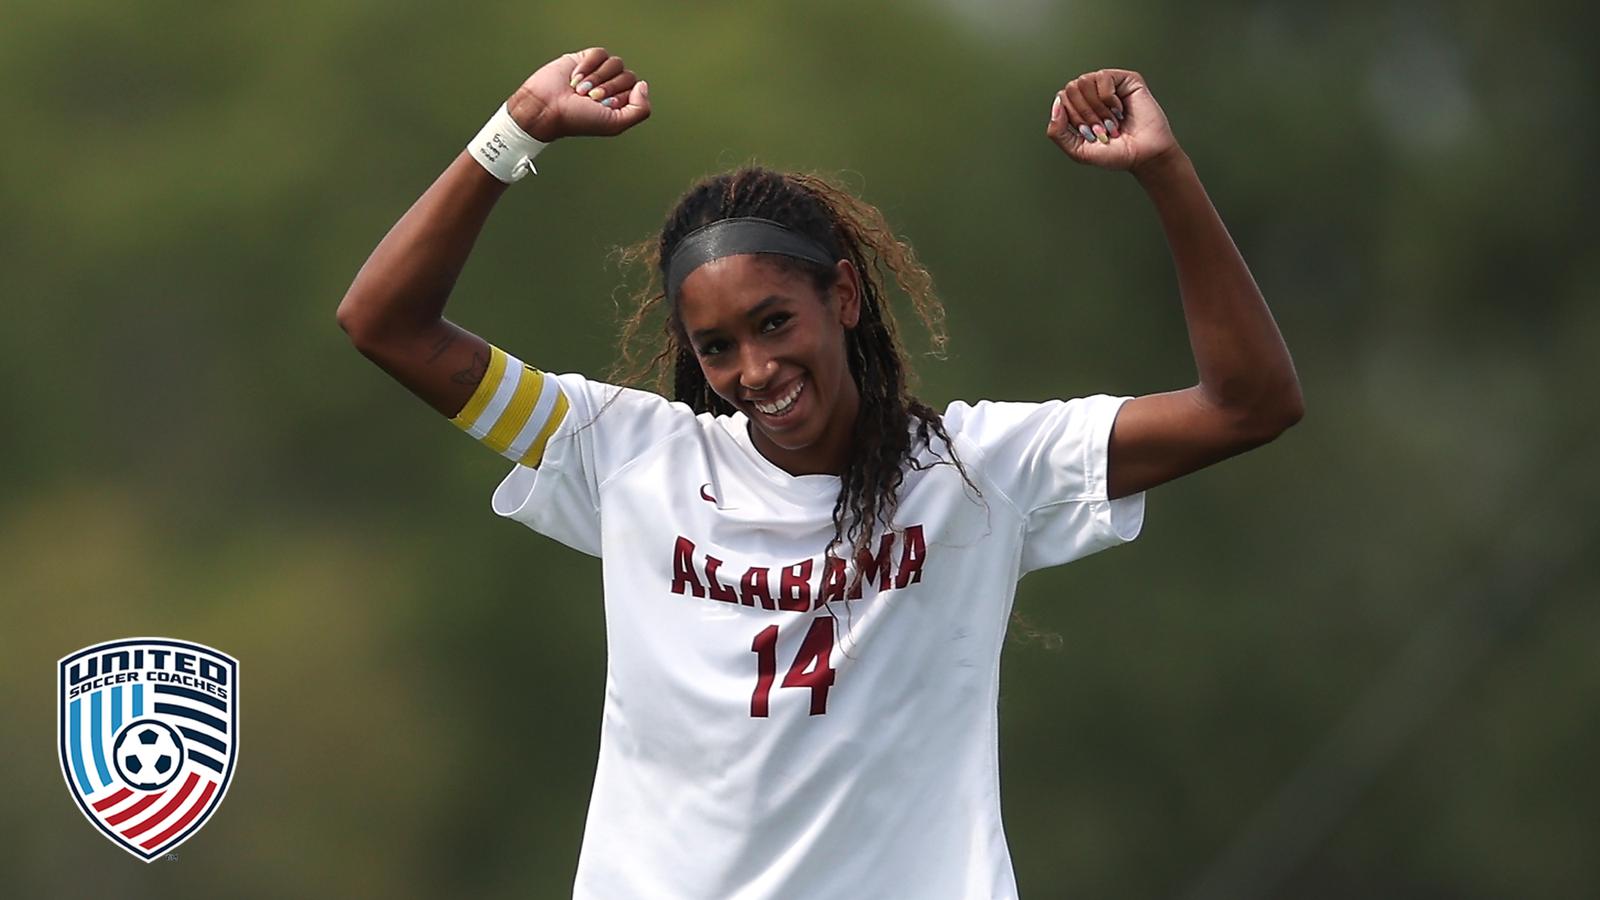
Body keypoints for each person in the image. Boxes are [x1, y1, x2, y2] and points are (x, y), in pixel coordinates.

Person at [338, 47, 1302, 900]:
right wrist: (517, 129)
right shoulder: (626, 456)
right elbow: (383, 323)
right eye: (717, 347)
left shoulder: (976, 471)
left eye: (774, 323)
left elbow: (1249, 404)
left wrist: (1164, 169)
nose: (755, 371)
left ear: (842, 295)